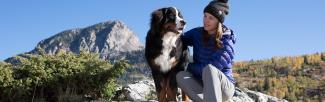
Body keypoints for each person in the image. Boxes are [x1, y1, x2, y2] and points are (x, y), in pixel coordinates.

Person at [176, 0, 236, 102]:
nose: (206, 20)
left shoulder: (226, 40)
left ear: (218, 21)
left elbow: (213, 67)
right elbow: (179, 39)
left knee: (209, 69)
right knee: (180, 76)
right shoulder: (197, 33)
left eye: (211, 18)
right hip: (203, 85)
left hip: (224, 89)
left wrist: (188, 66)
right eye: (205, 16)